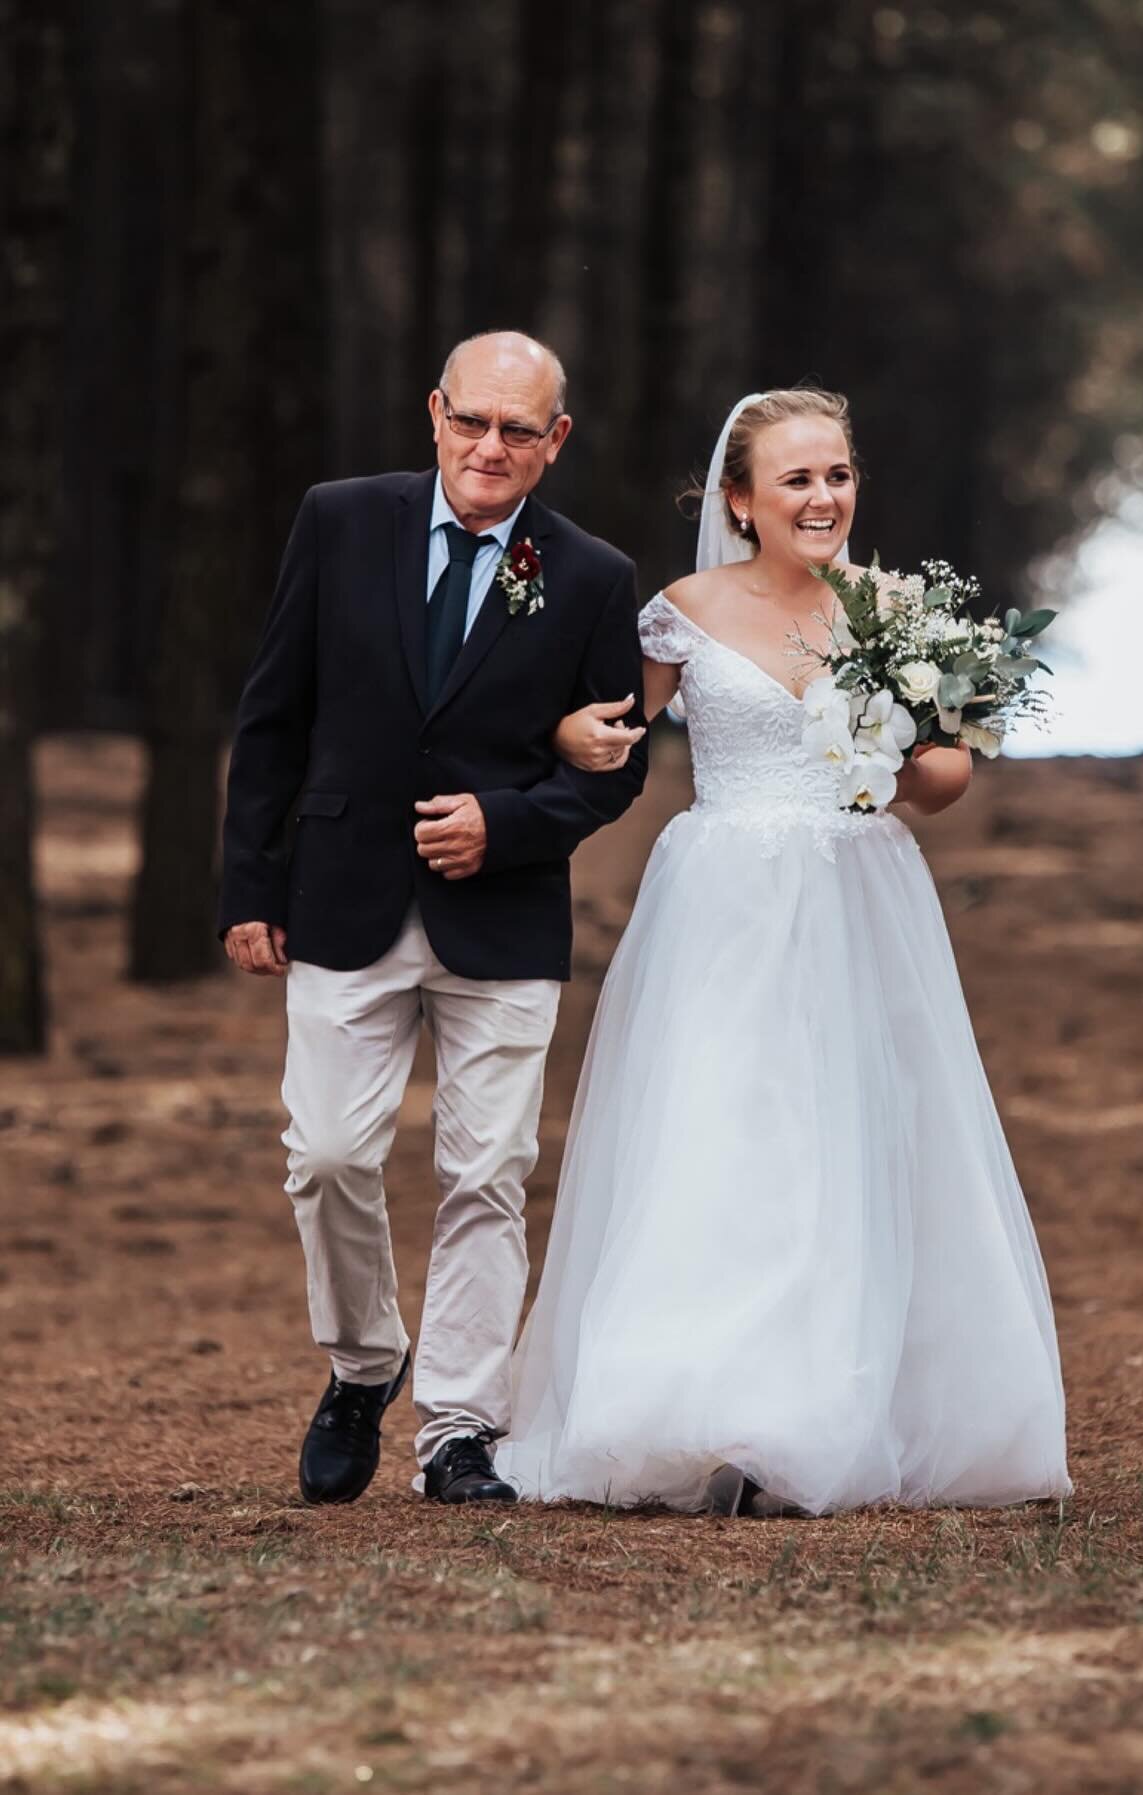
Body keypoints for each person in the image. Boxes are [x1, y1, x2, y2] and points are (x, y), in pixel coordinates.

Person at [497, 388, 1071, 1515]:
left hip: (860, 895)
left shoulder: (894, 609)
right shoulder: (683, 610)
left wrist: (899, 747)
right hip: (724, 900)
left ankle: (835, 1412)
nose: (823, 498)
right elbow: (608, 740)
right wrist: (566, 734)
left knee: (854, 1135)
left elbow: (947, 781)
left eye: (838, 476)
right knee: (726, 1131)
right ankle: (705, 1406)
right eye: (798, 479)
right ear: (740, 498)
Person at [218, 331, 648, 1507]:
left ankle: (459, 1426)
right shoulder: (340, 519)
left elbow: (614, 769)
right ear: (436, 414)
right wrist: (249, 886)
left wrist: (505, 823)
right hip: (340, 894)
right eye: (472, 421)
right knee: (329, 1155)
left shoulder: (595, 576)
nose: (489, 448)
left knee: (488, 1171)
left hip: (500, 919)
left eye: (519, 429)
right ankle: (364, 1364)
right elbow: (273, 714)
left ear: (556, 441)